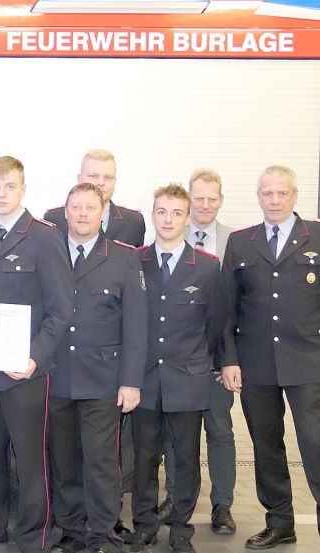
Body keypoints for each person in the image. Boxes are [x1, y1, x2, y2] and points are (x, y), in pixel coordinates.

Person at [0, 156, 74, 553]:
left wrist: (36, 358)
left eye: (9, 187)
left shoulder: (44, 236)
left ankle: (33, 533)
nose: (1, 194)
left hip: (25, 371)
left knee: (30, 460)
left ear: (24, 189)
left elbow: (62, 309)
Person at [220, 165, 320, 550]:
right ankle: (280, 522)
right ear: (258, 196)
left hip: (308, 360)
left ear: (294, 195)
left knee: (314, 443)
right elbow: (228, 307)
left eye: (282, 193)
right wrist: (228, 359)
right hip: (257, 361)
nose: (274, 200)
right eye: (267, 194)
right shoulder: (242, 242)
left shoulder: (316, 235)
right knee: (267, 445)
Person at [48, 183, 146, 553]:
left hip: (104, 379)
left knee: (102, 462)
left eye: (91, 207)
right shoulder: (51, 249)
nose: (83, 214)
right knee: (65, 460)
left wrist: (131, 382)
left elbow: (136, 325)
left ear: (103, 212)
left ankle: (101, 533)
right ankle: (71, 530)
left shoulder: (122, 257)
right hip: (57, 375)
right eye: (76, 207)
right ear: (66, 211)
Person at [128, 184, 225, 553]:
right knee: (144, 458)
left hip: (188, 379)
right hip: (145, 380)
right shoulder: (135, 261)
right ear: (153, 215)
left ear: (188, 218)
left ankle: (182, 526)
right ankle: (144, 523)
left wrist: (212, 365)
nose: (168, 220)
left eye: (176, 213)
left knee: (185, 459)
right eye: (161, 212)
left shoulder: (206, 266)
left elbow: (215, 322)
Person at [159, 169, 237, 535]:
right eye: (199, 198)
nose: (205, 205)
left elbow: (230, 311)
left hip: (216, 361)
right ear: (189, 203)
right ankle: (175, 498)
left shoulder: (235, 242)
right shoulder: (166, 238)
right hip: (178, 365)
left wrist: (225, 359)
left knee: (219, 431)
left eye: (212, 198)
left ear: (221, 200)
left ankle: (223, 504)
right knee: (178, 438)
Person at [44, 149, 146, 247]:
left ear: (115, 180)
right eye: (93, 176)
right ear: (80, 179)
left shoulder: (133, 222)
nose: (101, 183)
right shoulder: (54, 220)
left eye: (108, 177)